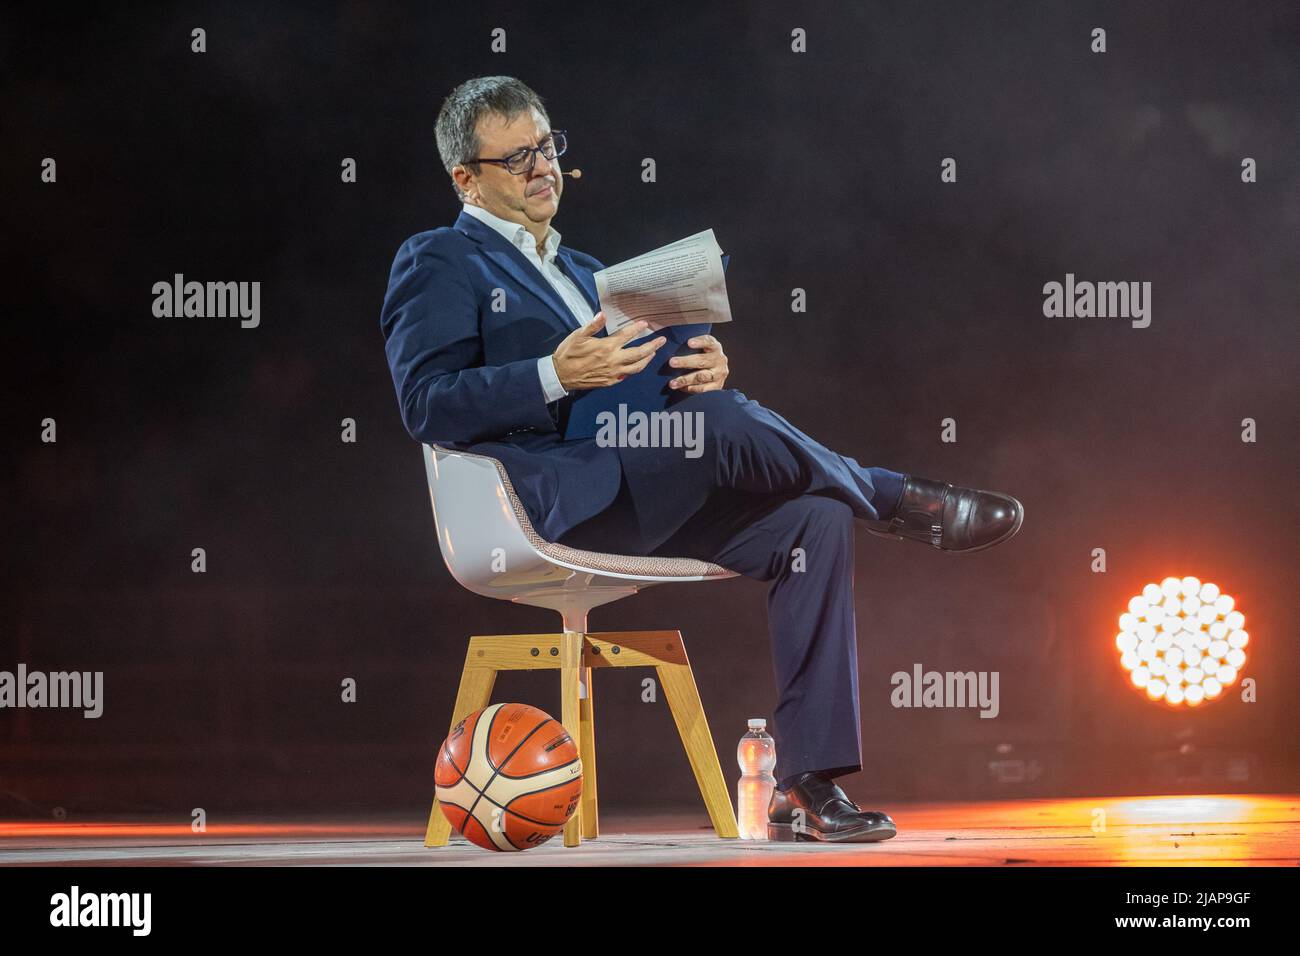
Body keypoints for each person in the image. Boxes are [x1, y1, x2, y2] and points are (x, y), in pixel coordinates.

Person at [380, 76, 1024, 843]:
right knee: (720, 428)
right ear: (465, 178)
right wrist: (556, 373)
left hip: (647, 479)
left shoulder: (590, 271)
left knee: (812, 522)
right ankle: (892, 498)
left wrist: (701, 367)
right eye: (516, 157)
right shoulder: (441, 259)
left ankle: (808, 785)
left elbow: (655, 390)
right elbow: (428, 402)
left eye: (547, 146)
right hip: (552, 499)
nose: (542, 167)